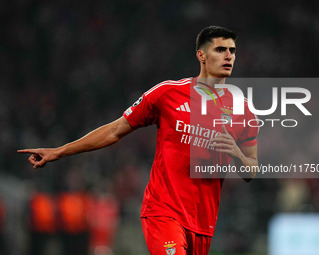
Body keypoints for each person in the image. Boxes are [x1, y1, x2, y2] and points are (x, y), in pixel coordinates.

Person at [18, 26, 259, 255]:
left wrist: (236, 153)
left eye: (233, 51)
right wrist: (60, 152)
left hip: (203, 222)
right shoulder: (168, 94)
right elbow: (115, 130)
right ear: (201, 55)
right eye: (221, 49)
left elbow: (251, 170)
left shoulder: (244, 111)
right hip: (163, 211)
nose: (229, 56)